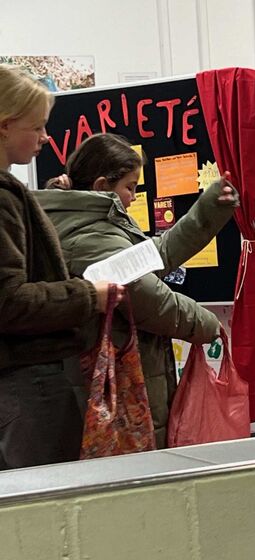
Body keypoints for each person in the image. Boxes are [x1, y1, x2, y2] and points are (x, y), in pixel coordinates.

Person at [36, 133, 239, 448]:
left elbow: (154, 256)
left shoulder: (96, 222)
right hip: (117, 387)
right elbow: (150, 300)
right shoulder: (89, 236)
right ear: (102, 186)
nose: (133, 197)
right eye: (129, 187)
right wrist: (208, 325)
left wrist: (209, 208)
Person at [0, 65, 122, 469]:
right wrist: (89, 296)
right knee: (53, 498)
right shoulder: (3, 198)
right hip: (24, 378)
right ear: (5, 125)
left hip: (19, 379)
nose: (45, 138)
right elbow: (9, 301)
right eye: (37, 127)